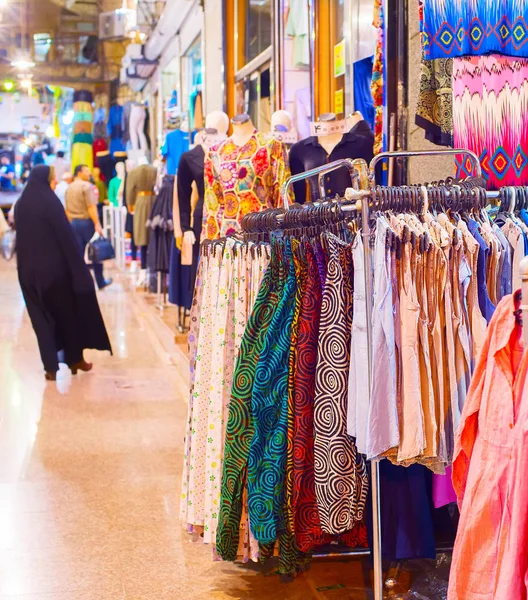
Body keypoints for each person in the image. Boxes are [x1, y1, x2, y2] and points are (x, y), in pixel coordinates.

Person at [14, 164, 112, 381]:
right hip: (54, 273)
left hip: (27, 273)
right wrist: (78, 268)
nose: (56, 182)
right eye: (53, 178)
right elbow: (65, 237)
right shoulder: (50, 203)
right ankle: (75, 358)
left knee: (40, 319)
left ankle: (50, 367)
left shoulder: (21, 204)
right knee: (66, 314)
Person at [66, 164, 112, 290]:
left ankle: (80, 282)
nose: (89, 174)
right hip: (87, 223)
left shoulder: (69, 187)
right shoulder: (86, 187)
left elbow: (67, 209)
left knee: (78, 254)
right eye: (86, 171)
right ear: (79, 172)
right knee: (96, 251)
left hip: (74, 223)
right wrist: (97, 223)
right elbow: (91, 207)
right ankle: (100, 281)